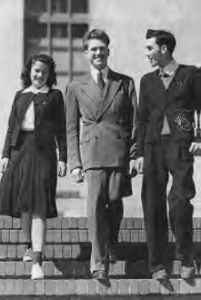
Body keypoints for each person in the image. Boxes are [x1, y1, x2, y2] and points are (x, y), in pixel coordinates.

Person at [65, 29, 137, 281]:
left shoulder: (125, 82)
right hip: (92, 154)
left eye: (102, 48)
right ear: (86, 53)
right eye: (93, 49)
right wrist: (75, 163)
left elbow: (134, 122)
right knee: (95, 208)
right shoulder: (75, 86)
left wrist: (135, 155)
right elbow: (71, 127)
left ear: (109, 50)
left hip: (118, 152)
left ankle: (109, 245)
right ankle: (99, 264)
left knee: (115, 205)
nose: (98, 52)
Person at [136, 29, 201, 280]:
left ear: (164, 49)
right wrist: (138, 153)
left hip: (180, 145)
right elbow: (141, 120)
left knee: (180, 201)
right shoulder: (146, 81)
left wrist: (198, 137)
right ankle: (157, 265)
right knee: (152, 205)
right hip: (152, 147)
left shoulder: (191, 74)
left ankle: (186, 256)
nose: (147, 54)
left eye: (150, 48)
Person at [0, 54, 67, 279]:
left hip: (44, 154)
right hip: (20, 153)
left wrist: (63, 157)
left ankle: (37, 262)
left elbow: (61, 130)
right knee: (25, 205)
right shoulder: (20, 95)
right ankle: (28, 246)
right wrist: (5, 155)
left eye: (44, 72)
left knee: (39, 204)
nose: (39, 75)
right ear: (30, 71)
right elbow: (11, 128)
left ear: (50, 75)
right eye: (36, 70)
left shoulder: (55, 96)